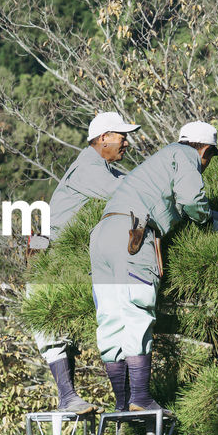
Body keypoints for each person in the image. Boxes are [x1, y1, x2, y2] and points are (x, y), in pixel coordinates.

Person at [89, 120, 218, 413]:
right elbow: (191, 199)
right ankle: (140, 397)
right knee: (137, 310)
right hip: (133, 234)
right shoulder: (185, 156)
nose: (208, 162)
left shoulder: (157, 162)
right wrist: (208, 219)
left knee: (111, 318)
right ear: (205, 149)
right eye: (211, 156)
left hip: (102, 235)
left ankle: (123, 402)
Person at [32, 110, 139, 413]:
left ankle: (126, 399)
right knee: (55, 330)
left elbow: (135, 183)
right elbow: (131, 193)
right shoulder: (89, 170)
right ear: (104, 138)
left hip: (77, 260)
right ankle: (68, 396)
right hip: (53, 259)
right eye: (122, 136)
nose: (127, 143)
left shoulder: (104, 168)